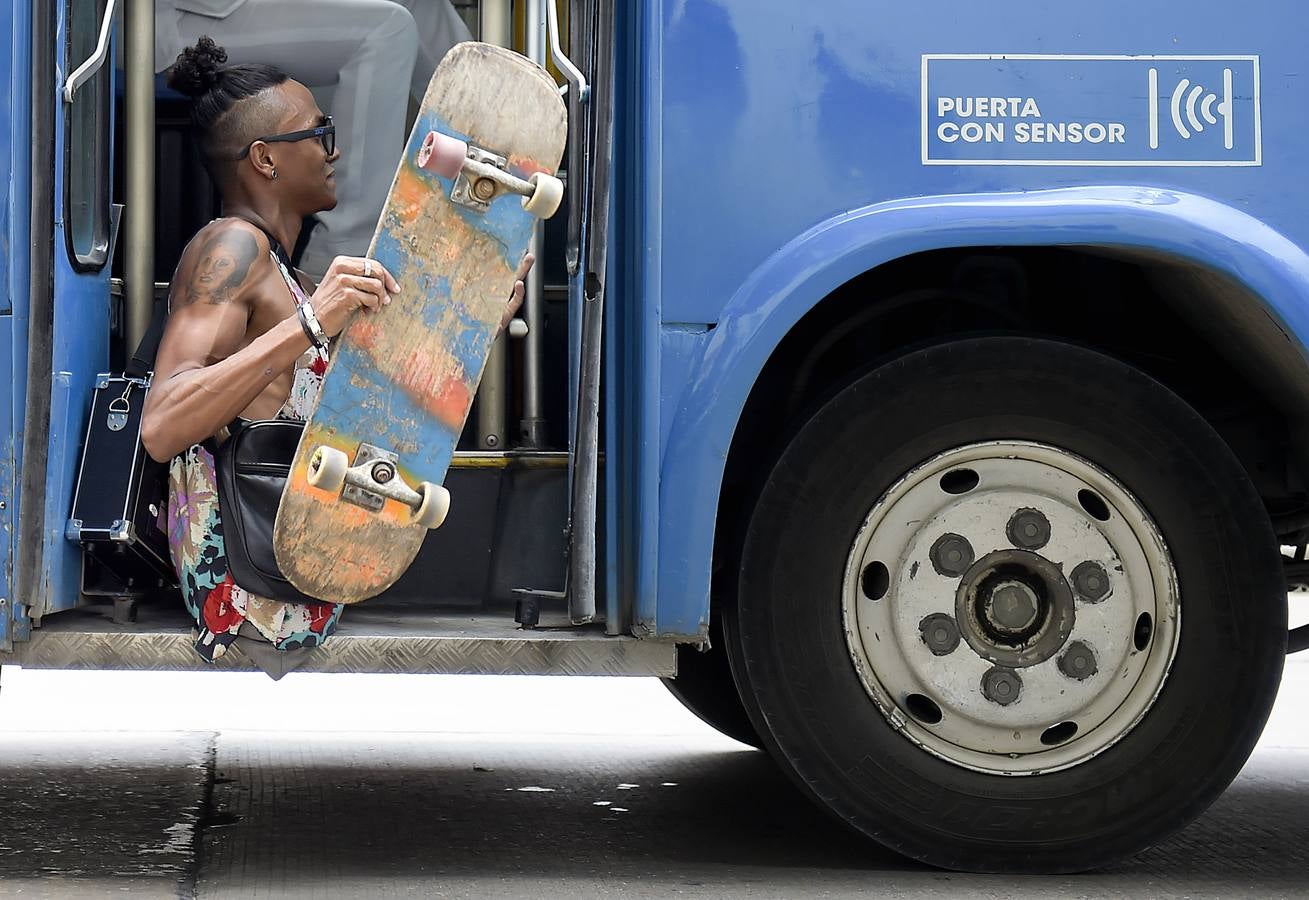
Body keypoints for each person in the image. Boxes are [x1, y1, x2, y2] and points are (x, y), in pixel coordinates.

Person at [141, 39, 530, 676]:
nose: (334, 147)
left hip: (287, 559)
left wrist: (475, 315)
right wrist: (311, 322)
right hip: (249, 583)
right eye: (317, 131)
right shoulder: (231, 247)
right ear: (265, 158)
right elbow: (162, 425)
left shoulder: (279, 270)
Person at [154, 0, 473, 277]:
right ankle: (343, 249)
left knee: (419, 3)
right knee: (386, 29)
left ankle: (491, 143)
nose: (330, 154)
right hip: (170, 18)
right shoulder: (228, 249)